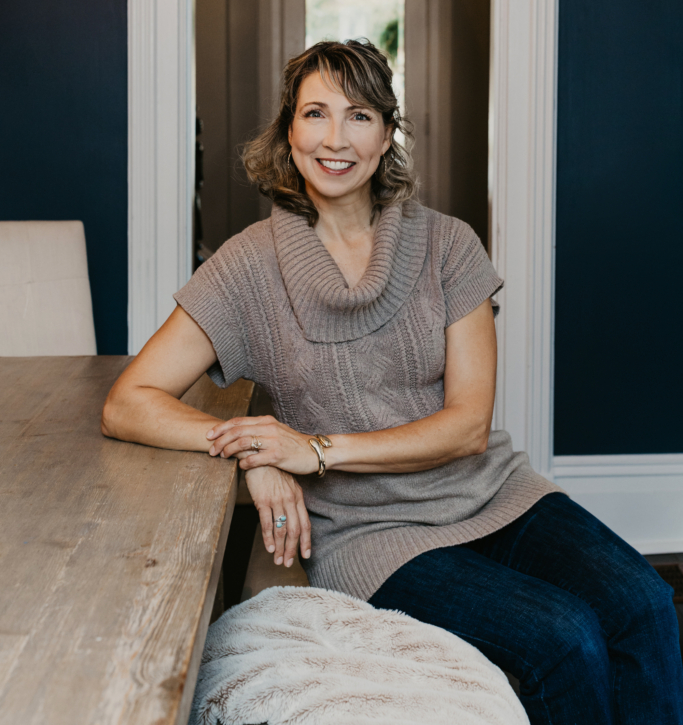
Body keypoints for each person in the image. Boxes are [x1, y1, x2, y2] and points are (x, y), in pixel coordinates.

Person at [103, 39, 682, 724]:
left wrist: (311, 449)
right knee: (562, 639)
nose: (335, 138)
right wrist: (250, 449)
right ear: (289, 131)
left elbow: (466, 428)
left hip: (492, 492)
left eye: (359, 115)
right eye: (315, 114)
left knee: (643, 601)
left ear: (386, 134)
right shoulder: (244, 269)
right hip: (365, 531)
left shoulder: (448, 245)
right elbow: (127, 403)